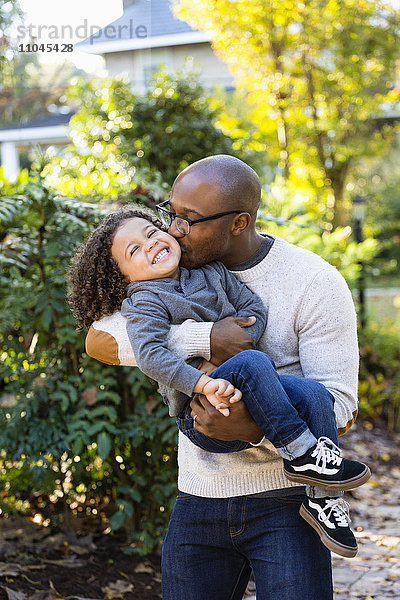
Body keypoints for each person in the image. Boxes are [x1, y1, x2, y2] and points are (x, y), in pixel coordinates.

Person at [83, 155, 361, 600]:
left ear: (238, 223)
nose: (171, 229)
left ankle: (323, 494)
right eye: (168, 213)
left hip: (288, 502)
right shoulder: (162, 272)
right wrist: (207, 338)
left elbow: (340, 406)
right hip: (199, 494)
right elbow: (100, 339)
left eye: (188, 220)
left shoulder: (312, 281)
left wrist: (252, 429)